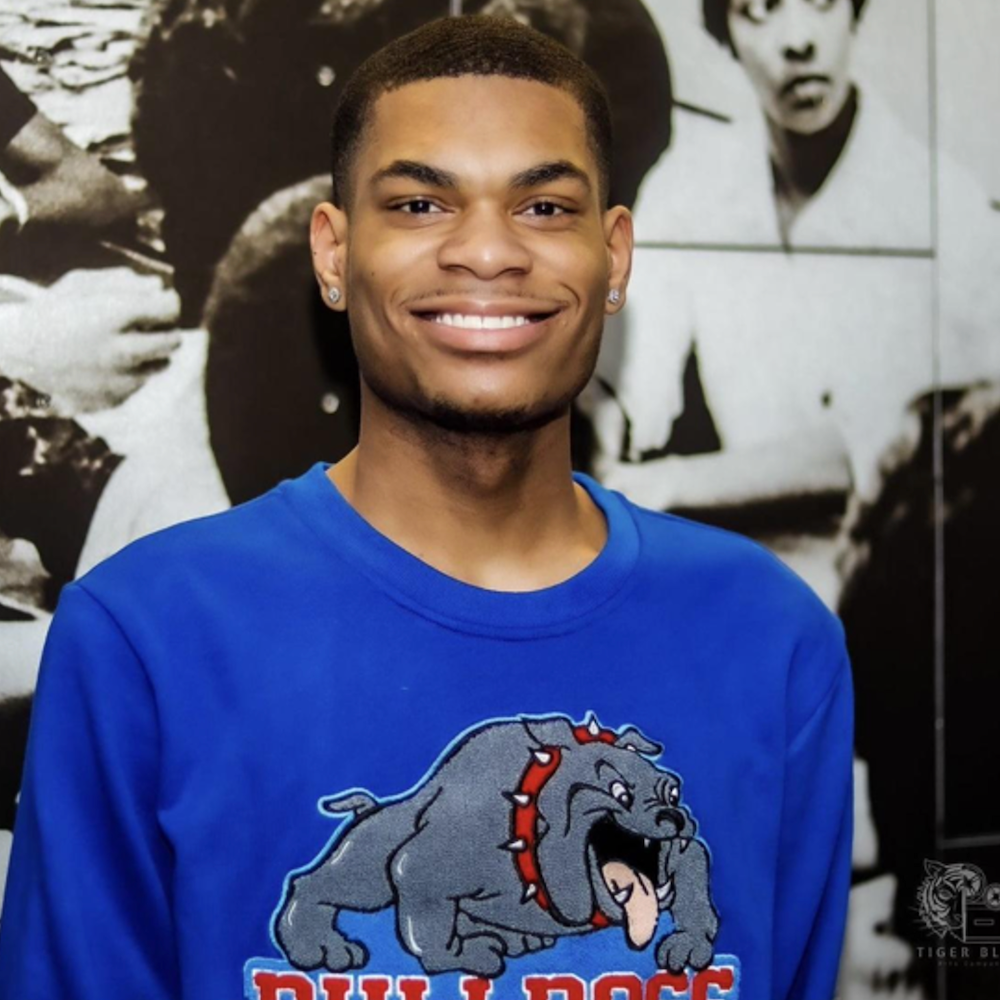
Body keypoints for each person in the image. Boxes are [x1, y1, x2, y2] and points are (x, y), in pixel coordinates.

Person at [0, 16, 853, 1000]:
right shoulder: (140, 636)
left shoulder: (770, 638)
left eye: (543, 205)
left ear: (614, 256)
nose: (485, 251)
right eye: (418, 202)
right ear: (330, 252)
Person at [632, 0, 932, 250]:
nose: (797, 40)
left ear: (853, 11)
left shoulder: (946, 210)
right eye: (760, 9)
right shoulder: (680, 190)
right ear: (728, 37)